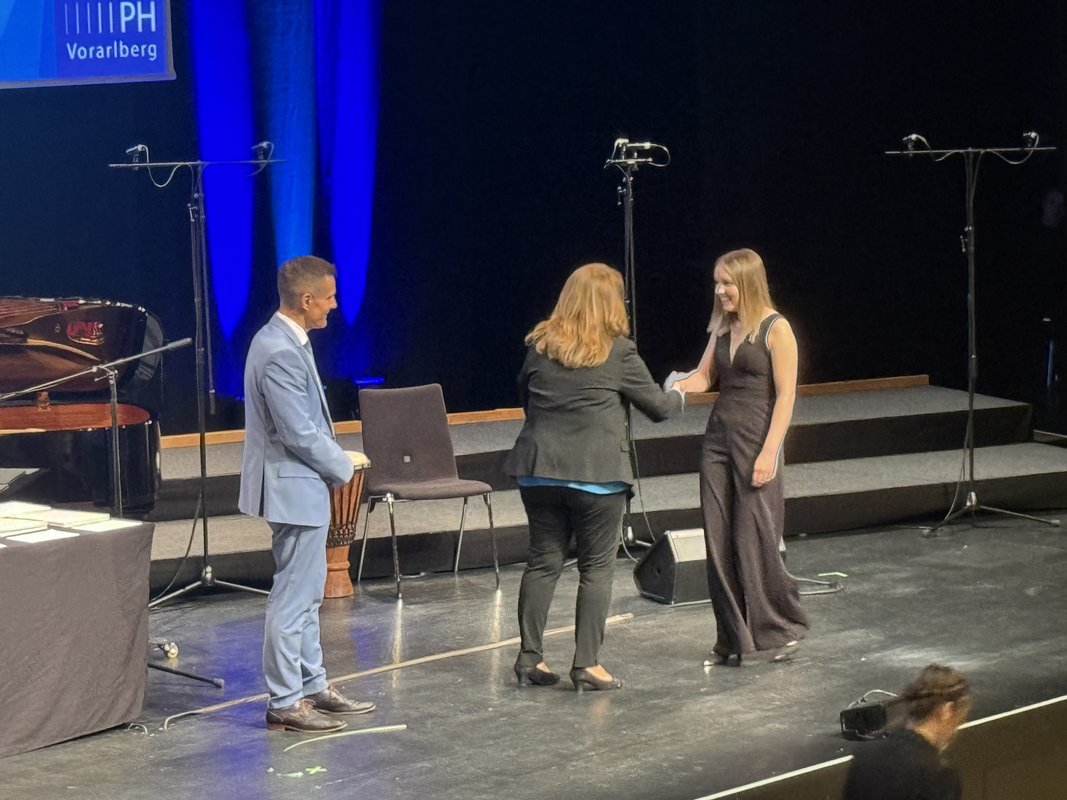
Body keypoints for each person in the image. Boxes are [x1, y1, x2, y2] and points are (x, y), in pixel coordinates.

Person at [505, 263, 684, 692]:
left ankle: (529, 658)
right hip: (596, 476)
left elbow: (526, 400)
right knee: (596, 568)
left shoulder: (540, 348)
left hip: (539, 471)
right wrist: (679, 391)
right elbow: (659, 409)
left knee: (543, 562)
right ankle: (586, 663)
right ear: (612, 304)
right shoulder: (619, 352)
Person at [239, 255, 376, 732]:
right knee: (293, 598)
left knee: (307, 593)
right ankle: (284, 700)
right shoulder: (277, 349)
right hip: (292, 489)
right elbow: (297, 431)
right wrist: (343, 464)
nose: (334, 305)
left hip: (300, 487)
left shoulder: (288, 340)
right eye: (330, 297)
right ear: (306, 299)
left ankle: (312, 685)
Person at [671, 248, 808, 665]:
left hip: (755, 442)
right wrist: (670, 390)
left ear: (747, 282)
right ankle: (732, 640)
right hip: (717, 442)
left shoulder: (775, 329)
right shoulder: (722, 326)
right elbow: (703, 377)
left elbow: (786, 397)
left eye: (727, 283)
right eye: (717, 282)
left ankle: (778, 631)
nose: (720, 290)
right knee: (718, 540)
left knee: (754, 540)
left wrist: (770, 453)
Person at [842, 664, 971, 800]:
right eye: (959, 720)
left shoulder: (867, 752)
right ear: (946, 711)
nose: (955, 731)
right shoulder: (939, 777)